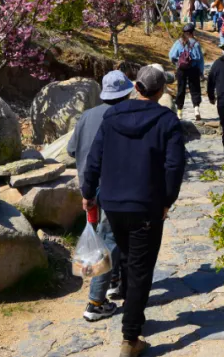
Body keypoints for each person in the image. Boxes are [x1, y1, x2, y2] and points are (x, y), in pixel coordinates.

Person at [81, 66, 186, 357]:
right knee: (140, 268)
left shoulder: (112, 115)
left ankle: (132, 312)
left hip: (113, 203)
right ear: (161, 91)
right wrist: (167, 199)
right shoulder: (167, 120)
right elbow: (174, 166)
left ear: (136, 87)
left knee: (127, 258)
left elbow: (95, 157)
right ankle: (130, 338)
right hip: (147, 204)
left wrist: (88, 193)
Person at [67, 71, 134, 322]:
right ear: (126, 93)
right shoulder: (123, 117)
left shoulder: (86, 115)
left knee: (98, 238)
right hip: (111, 189)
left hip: (88, 188)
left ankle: (113, 278)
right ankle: (95, 302)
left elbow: (71, 149)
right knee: (109, 242)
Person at [168, 24, 205, 120]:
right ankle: (196, 109)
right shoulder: (196, 43)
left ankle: (179, 111)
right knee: (195, 89)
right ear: (192, 32)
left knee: (181, 89)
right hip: (193, 69)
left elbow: (171, 55)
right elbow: (200, 59)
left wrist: (176, 63)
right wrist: (201, 71)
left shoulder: (179, 42)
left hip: (181, 69)